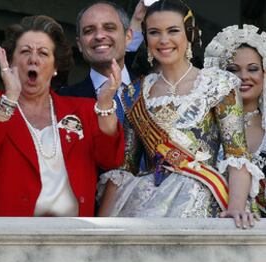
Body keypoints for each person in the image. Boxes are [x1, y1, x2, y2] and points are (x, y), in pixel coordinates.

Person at [97, 0, 263, 228]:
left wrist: (235, 207)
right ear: (146, 38)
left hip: (202, 201)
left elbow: (237, 155)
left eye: (173, 31)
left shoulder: (218, 84)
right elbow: (126, 167)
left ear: (189, 34)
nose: (164, 40)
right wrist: (99, 225)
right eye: (155, 32)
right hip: (145, 204)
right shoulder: (135, 92)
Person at [0, 15, 125, 216]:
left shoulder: (84, 109)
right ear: (10, 61)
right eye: (25, 51)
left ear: (56, 67)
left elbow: (111, 160)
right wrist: (10, 98)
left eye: (43, 53)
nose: (34, 59)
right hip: (6, 233)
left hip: (72, 235)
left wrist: (106, 104)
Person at [59, 1, 146, 174]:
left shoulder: (154, 89)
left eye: (109, 27)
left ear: (129, 36)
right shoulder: (63, 100)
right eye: (89, 31)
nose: (99, 36)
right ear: (80, 44)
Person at [205, 24, 266, 216]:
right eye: (233, 70)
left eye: (253, 69)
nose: (243, 77)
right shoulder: (205, 125)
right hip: (216, 224)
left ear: (264, 74)